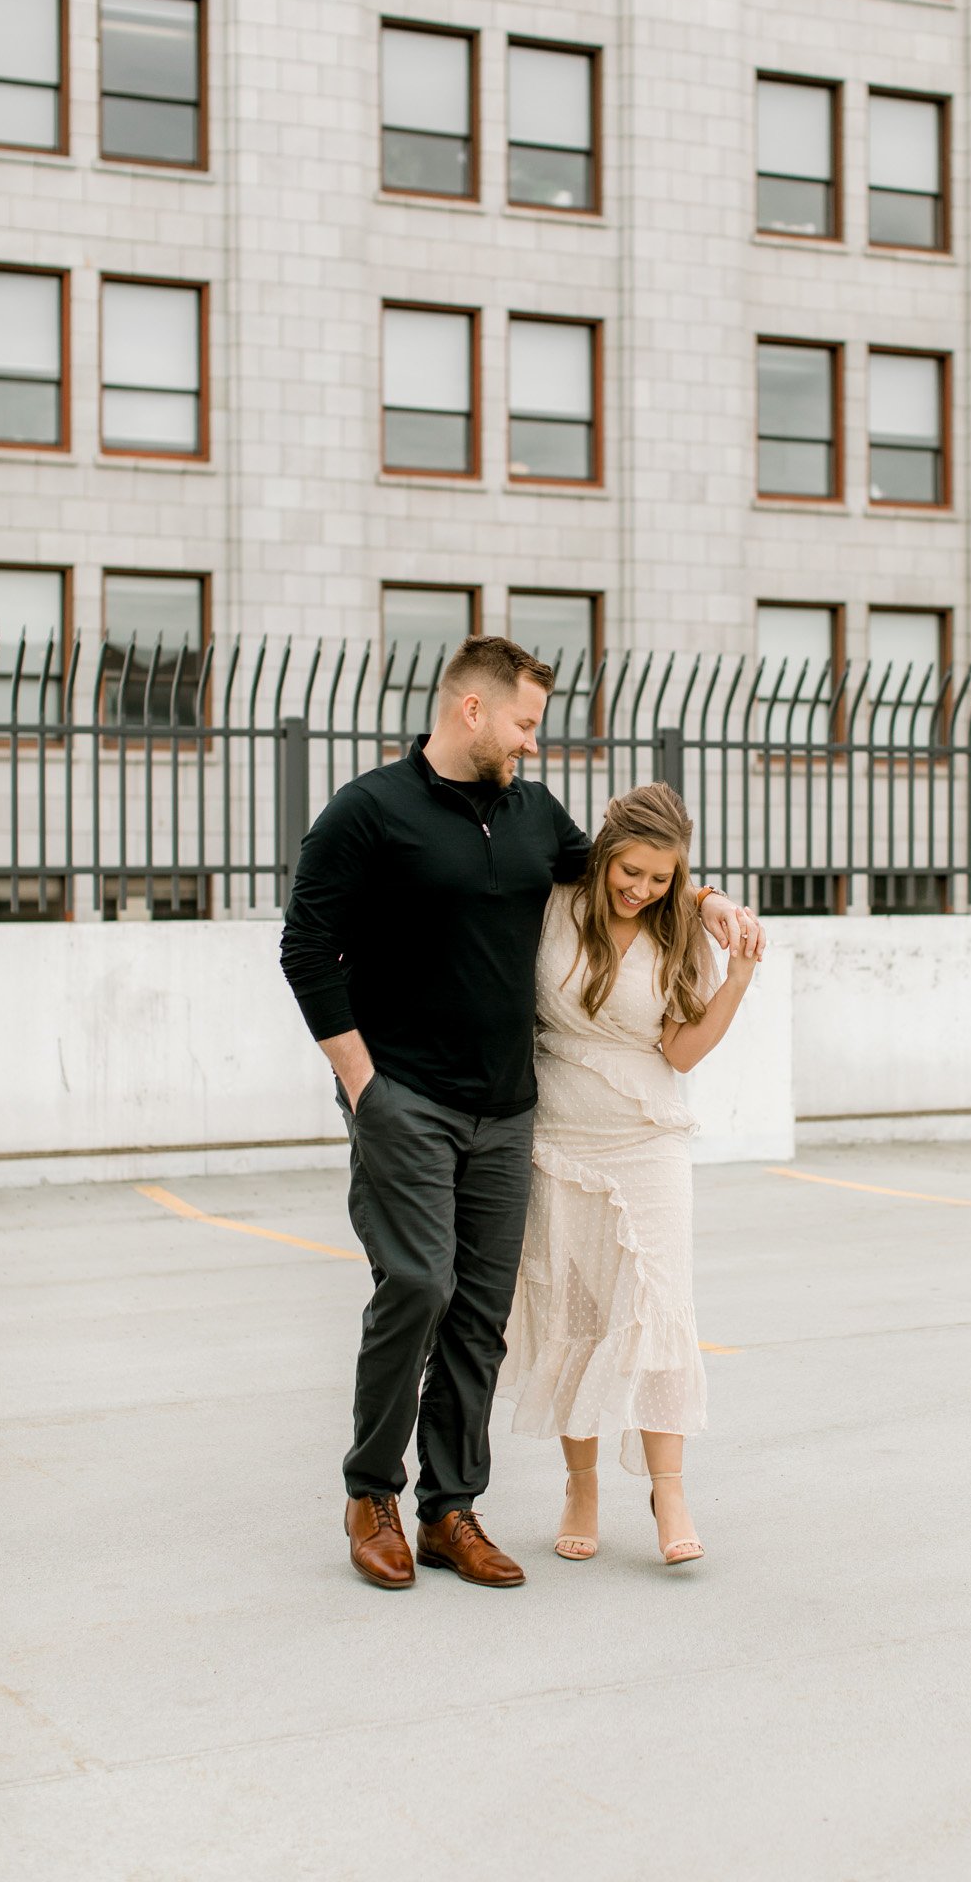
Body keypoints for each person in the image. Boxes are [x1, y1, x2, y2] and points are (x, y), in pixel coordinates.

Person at [279, 635, 759, 1592]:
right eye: (526, 723)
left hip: (508, 1113)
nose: (535, 743)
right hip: (404, 1098)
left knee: (482, 1317)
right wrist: (362, 1083)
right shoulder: (367, 812)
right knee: (418, 1285)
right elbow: (305, 947)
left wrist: (706, 898)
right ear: (472, 711)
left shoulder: (534, 814)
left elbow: (624, 866)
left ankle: (451, 1510)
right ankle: (371, 1493)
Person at [499, 783, 762, 1567]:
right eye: (631, 873)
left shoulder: (679, 923)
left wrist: (735, 981)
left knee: (659, 1310)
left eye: (660, 879)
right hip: (557, 1136)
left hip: (645, 1140)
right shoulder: (553, 899)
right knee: (574, 1315)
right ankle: (580, 1485)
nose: (642, 890)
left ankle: (669, 1488)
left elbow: (678, 1052)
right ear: (604, 851)